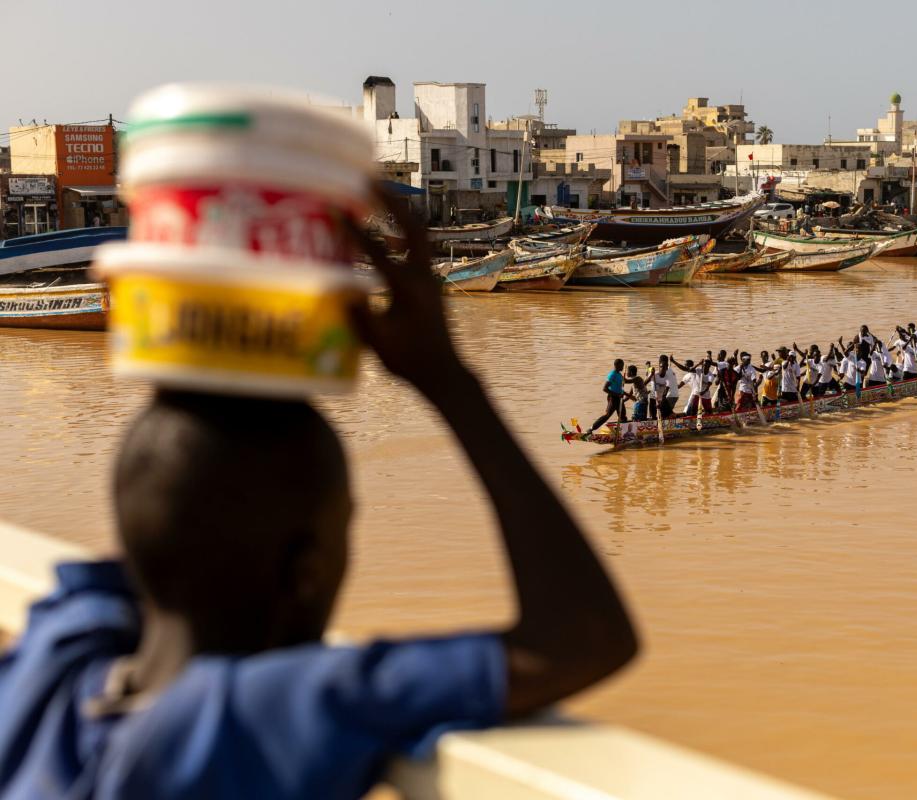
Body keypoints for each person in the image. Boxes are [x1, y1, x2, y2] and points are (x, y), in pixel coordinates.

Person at [0, 194, 637, 799]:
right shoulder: (266, 712)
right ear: (307, 572)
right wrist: (448, 382)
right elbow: (585, 635)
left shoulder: (50, 663)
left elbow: (157, 525)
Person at [588, 358, 626, 434]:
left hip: (619, 398)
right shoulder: (612, 374)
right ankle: (591, 429)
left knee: (623, 417)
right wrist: (617, 394)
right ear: (617, 365)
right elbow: (605, 388)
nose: (623, 367)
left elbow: (625, 382)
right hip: (613, 398)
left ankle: (622, 433)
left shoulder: (619, 374)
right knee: (607, 415)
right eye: (622, 365)